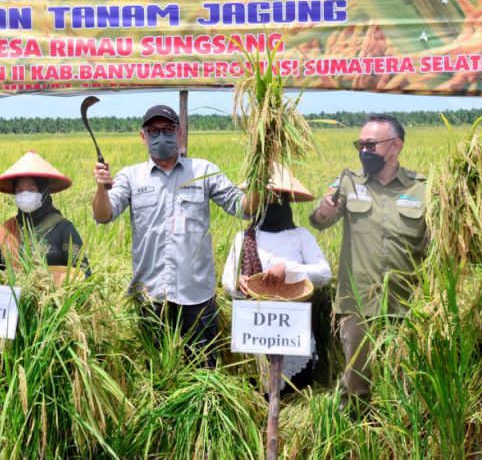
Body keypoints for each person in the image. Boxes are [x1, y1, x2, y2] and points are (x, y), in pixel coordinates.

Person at [92, 104, 251, 367]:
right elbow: (103, 215)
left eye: (167, 130)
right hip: (150, 296)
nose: (160, 137)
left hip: (197, 296)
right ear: (143, 137)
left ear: (179, 133)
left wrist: (258, 176)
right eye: (153, 131)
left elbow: (242, 208)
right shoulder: (130, 177)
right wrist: (100, 187)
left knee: (203, 375)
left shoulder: (203, 171)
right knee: (156, 376)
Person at [309, 113, 428, 405]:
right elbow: (320, 221)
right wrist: (325, 209)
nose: (364, 152)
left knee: (405, 384)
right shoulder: (348, 182)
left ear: (395, 146)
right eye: (360, 145)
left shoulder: (421, 187)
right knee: (357, 385)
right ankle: (355, 440)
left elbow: (438, 243)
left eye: (371, 145)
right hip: (358, 302)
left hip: (407, 305)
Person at [222, 164, 332, 390]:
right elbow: (227, 282)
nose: (272, 204)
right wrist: (238, 283)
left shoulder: (301, 236)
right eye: (266, 198)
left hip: (293, 332)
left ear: (287, 201)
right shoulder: (243, 237)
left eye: (278, 198)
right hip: (256, 333)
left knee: (295, 388)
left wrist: (289, 269)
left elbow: (324, 273)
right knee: (258, 387)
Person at [0, 151, 88, 282]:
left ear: (44, 192)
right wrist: (7, 282)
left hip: (53, 298)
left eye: (31, 189)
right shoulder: (7, 229)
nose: (24, 194)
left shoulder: (63, 229)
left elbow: (84, 272)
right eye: (19, 190)